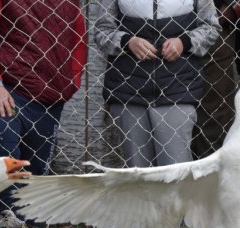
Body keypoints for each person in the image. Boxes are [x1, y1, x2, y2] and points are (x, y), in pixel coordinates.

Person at [0, 0, 87, 225]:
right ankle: (9, 224)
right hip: (7, 89)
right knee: (4, 160)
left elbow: (78, 38)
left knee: (36, 170)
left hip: (50, 96)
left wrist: (72, 82)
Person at [94, 0, 221, 167]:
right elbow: (102, 30)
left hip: (177, 87)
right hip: (129, 89)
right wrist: (127, 42)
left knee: (176, 171)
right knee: (138, 173)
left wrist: (184, 42)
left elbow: (211, 27)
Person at [192, 0, 240, 158]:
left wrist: (232, 8)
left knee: (214, 109)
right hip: (159, 25)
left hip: (216, 23)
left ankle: (211, 172)